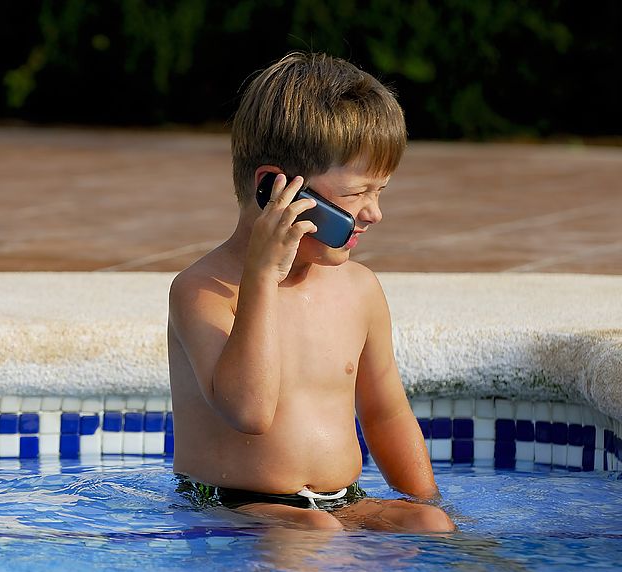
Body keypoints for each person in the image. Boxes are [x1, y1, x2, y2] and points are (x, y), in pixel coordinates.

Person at [168, 52, 456, 533]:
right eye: (355, 196)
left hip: (341, 502)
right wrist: (262, 277)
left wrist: (429, 500)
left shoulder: (358, 289)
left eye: (379, 192)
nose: (373, 213)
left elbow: (386, 413)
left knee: (430, 525)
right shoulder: (203, 291)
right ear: (273, 188)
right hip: (231, 506)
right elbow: (249, 411)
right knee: (318, 534)